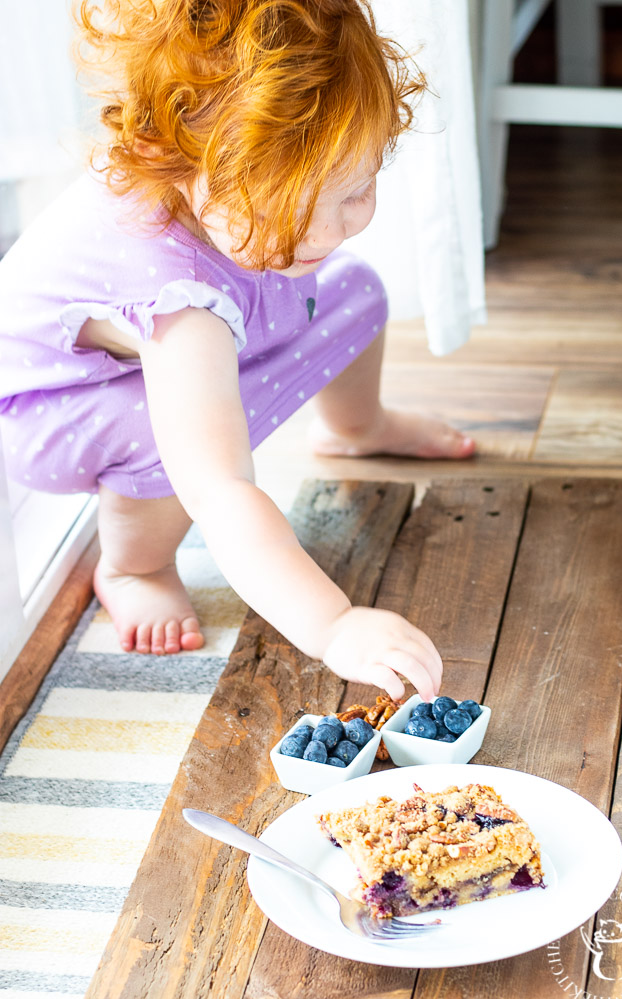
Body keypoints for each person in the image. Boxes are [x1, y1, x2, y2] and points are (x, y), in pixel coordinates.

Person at [0, 0, 475, 702]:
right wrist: (335, 624)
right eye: (311, 204)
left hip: (194, 328)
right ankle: (135, 566)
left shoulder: (221, 198)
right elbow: (219, 489)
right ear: (196, 179)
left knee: (355, 291)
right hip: (47, 412)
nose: (353, 219)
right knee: (178, 438)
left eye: (363, 186)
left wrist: (293, 231)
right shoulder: (178, 296)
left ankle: (356, 426)